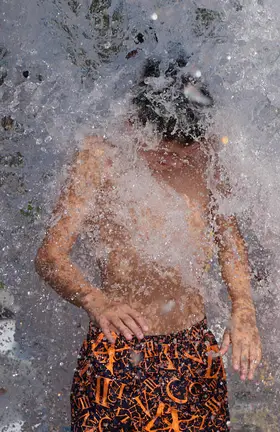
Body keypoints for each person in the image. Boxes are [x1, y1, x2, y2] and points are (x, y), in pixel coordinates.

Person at [35, 57, 262, 430]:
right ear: (134, 125)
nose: (174, 159)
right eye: (162, 148)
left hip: (191, 357)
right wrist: (96, 300)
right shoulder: (100, 158)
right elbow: (49, 256)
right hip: (115, 356)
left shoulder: (207, 159)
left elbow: (230, 242)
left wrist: (243, 310)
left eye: (183, 149)